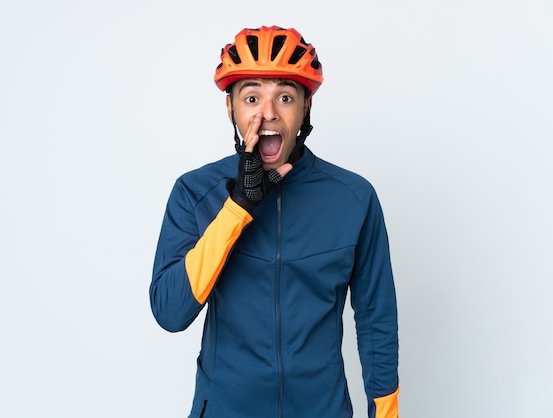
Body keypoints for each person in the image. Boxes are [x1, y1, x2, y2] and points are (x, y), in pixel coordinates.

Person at [150, 25, 399, 418]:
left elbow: (376, 318)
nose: (267, 113)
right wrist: (238, 207)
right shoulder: (194, 193)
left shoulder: (354, 198)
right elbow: (169, 311)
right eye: (251, 97)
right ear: (230, 108)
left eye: (284, 96)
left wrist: (386, 414)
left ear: (306, 108)